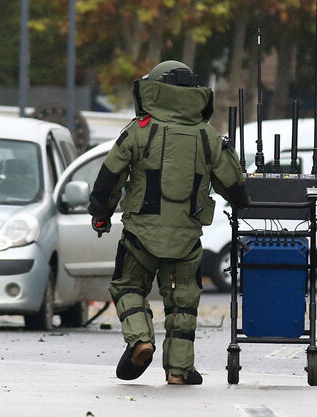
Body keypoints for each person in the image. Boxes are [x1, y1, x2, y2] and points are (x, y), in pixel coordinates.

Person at [88, 60, 250, 385]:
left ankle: (141, 340)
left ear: (154, 90)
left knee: (128, 287)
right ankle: (178, 370)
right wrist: (242, 203)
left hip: (139, 238)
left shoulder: (140, 129)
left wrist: (100, 214)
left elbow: (109, 178)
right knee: (182, 303)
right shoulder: (208, 136)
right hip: (186, 241)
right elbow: (235, 186)